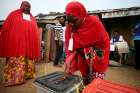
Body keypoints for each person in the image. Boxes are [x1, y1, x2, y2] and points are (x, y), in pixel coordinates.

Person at [64, 1, 110, 85]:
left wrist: (84, 50)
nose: (71, 24)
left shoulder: (94, 24)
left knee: (96, 83)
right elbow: (70, 48)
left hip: (97, 56)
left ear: (82, 15)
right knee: (85, 80)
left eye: (74, 21)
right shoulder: (70, 27)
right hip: (83, 57)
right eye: (68, 21)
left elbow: (102, 45)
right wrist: (68, 64)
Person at [0, 1, 40, 86]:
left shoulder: (31, 17)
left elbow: (34, 31)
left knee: (28, 59)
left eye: (29, 7)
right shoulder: (14, 14)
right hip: (16, 44)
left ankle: (28, 75)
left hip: (28, 44)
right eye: (25, 6)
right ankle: (15, 79)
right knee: (17, 59)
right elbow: (6, 28)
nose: (27, 8)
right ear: (21, 6)